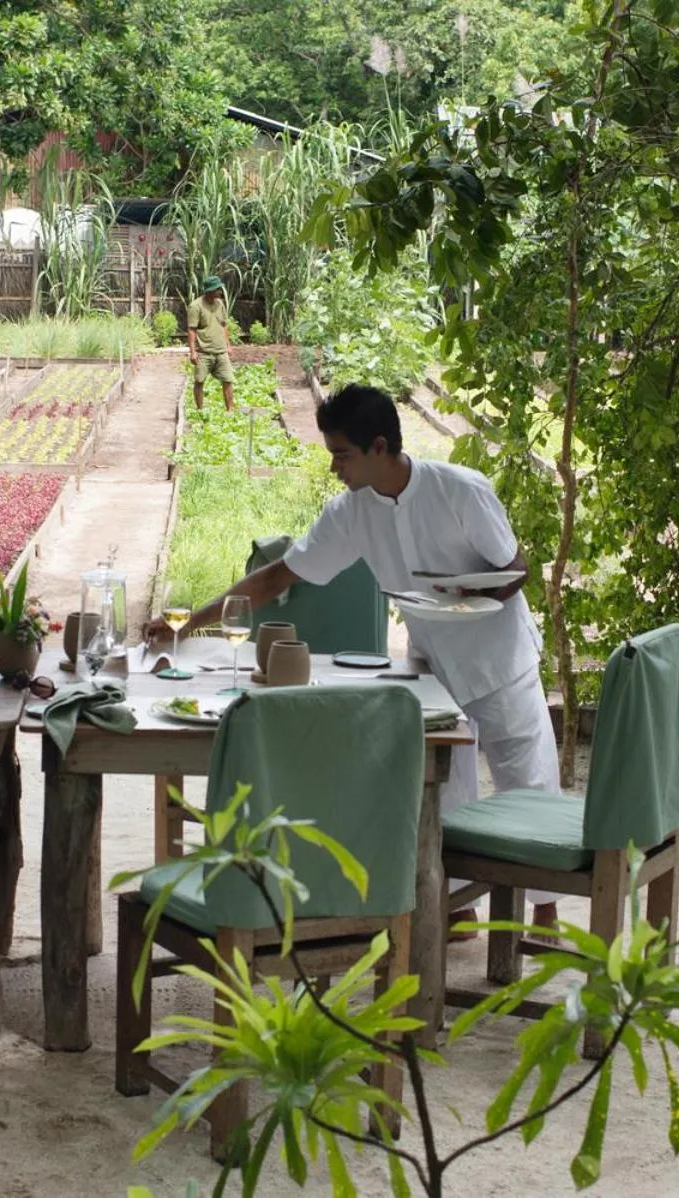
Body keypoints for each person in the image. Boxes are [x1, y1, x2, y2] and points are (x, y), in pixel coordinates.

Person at [142, 382, 561, 930]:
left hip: (498, 660)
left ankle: (546, 916)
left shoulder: (461, 491)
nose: (335, 466)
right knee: (444, 795)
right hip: (434, 666)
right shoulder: (351, 513)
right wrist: (188, 623)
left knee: (526, 782)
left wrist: (469, 594)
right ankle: (452, 915)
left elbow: (517, 569)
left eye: (342, 454)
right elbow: (280, 574)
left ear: (380, 447)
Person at [185, 275, 234, 412]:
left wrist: (228, 345)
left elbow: (224, 325)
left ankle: (230, 411)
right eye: (217, 290)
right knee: (199, 381)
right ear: (209, 291)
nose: (219, 292)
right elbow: (192, 330)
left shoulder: (220, 304)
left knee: (228, 380)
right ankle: (200, 410)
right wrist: (193, 352)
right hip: (203, 352)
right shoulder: (196, 306)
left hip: (221, 351)